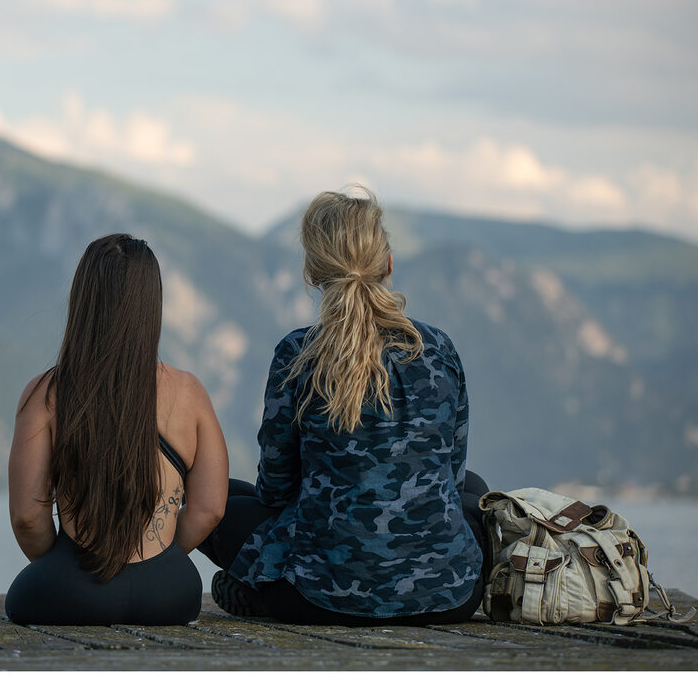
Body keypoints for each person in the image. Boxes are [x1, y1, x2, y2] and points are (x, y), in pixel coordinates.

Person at [198, 189, 491, 625]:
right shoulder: (438, 348)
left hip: (316, 596)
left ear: (313, 273)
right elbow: (450, 473)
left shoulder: (299, 353)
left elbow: (276, 487)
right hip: (449, 595)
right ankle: (262, 586)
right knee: (474, 490)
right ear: (388, 263)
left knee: (217, 498)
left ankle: (260, 587)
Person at [5, 233, 229, 626]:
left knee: (19, 599)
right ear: (152, 306)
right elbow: (210, 508)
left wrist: (60, 569)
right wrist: (161, 560)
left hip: (73, 588)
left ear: (83, 300)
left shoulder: (46, 393)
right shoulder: (190, 392)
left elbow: (27, 517)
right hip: (171, 592)